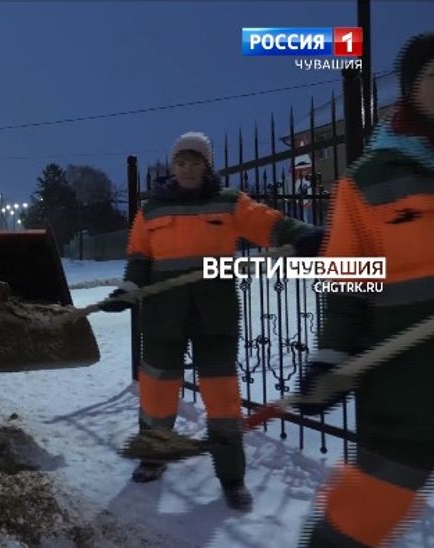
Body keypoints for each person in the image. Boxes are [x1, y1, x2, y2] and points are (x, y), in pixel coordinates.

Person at [103, 131, 323, 511]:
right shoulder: (152, 210)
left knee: (222, 397)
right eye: (181, 163)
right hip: (163, 316)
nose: (187, 170)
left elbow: (268, 223)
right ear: (172, 167)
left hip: (214, 315)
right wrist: (127, 290)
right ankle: (153, 456)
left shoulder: (229, 203)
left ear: (207, 167)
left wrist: (306, 236)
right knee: (156, 391)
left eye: (195, 163)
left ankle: (232, 476)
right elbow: (139, 257)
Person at [296, 32, 434, 547]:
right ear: (411, 89)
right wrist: (331, 356)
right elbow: (347, 284)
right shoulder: (369, 181)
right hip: (408, 392)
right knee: (354, 525)